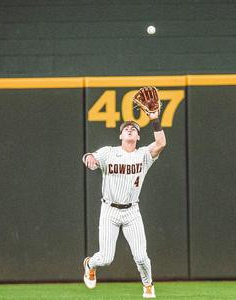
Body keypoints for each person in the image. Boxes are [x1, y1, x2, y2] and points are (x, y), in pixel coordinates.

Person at [81, 94, 165, 299]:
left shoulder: (144, 155)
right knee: (107, 258)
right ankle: (89, 264)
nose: (130, 129)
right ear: (121, 136)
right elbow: (89, 156)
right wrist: (89, 158)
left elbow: (161, 143)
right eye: (126, 128)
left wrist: (154, 119)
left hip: (132, 211)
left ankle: (148, 285)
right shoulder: (109, 152)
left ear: (138, 137)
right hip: (109, 210)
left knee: (141, 257)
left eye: (134, 129)